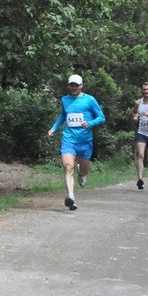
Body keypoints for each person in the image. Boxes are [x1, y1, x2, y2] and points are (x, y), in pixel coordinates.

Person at [48, 74, 106, 210]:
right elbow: (63, 115)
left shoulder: (90, 100)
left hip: (85, 140)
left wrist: (90, 123)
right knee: (68, 167)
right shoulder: (65, 100)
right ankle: (71, 196)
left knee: (85, 170)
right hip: (69, 139)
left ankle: (82, 172)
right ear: (69, 86)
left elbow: (101, 117)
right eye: (71, 85)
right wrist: (54, 128)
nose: (74, 87)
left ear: (81, 86)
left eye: (76, 85)